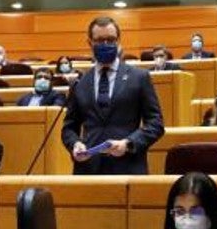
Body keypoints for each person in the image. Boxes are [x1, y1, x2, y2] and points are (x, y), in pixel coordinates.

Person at [61, 16, 165, 175]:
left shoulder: (139, 77)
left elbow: (155, 124)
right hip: (88, 170)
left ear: (118, 41)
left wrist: (129, 143)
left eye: (110, 39)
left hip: (128, 168)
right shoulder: (80, 83)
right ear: (90, 43)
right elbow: (69, 128)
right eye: (99, 40)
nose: (105, 45)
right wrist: (75, 144)